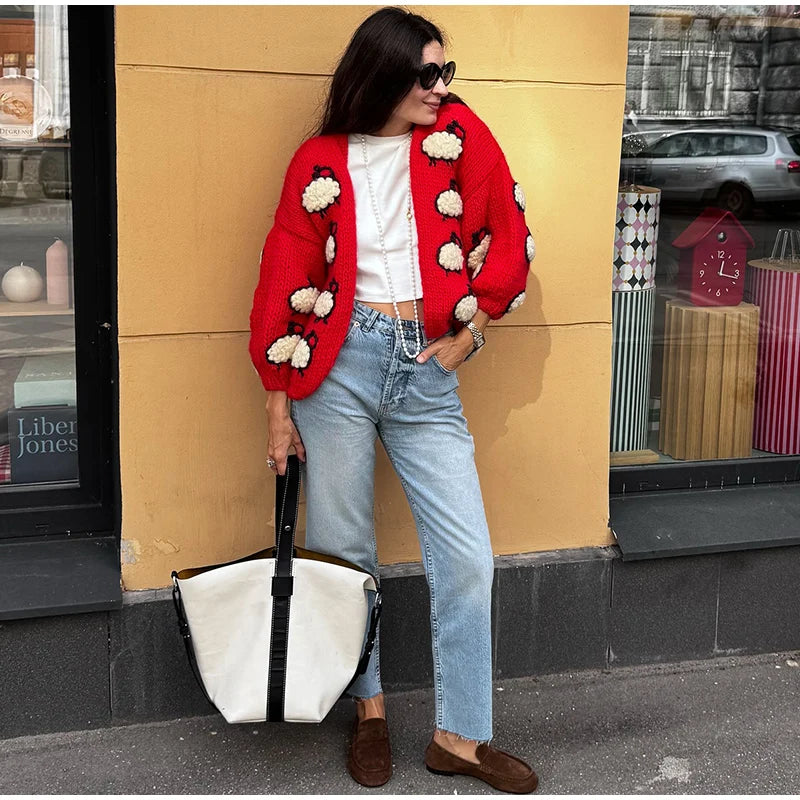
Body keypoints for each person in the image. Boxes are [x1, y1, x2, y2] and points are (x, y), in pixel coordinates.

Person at [249, 7, 537, 794]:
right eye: (427, 73)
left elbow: (508, 231)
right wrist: (279, 406)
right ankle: (368, 709)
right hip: (337, 364)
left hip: (426, 365)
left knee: (468, 555)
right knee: (347, 551)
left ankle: (461, 737)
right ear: (383, 74)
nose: (442, 87)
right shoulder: (318, 159)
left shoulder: (460, 135)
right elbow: (285, 276)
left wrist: (473, 330)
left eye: (448, 71)